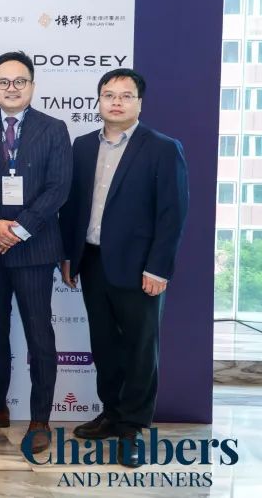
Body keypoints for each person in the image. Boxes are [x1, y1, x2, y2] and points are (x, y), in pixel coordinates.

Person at [59, 68, 189, 468]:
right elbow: (73, 206)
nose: (116, 102)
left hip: (139, 268)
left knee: (139, 348)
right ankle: (111, 413)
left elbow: (172, 214)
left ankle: (133, 426)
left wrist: (158, 268)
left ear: (139, 103)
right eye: (109, 95)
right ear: (98, 101)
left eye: (125, 95)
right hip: (92, 261)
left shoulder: (163, 148)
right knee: (104, 345)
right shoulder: (82, 145)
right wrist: (70, 255)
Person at [0, 51, 71, 454]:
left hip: (35, 249)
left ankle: (40, 419)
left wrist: (18, 229)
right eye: (3, 82)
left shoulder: (54, 129)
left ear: (33, 86)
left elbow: (59, 187)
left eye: (20, 81)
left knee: (40, 335)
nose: (11, 88)